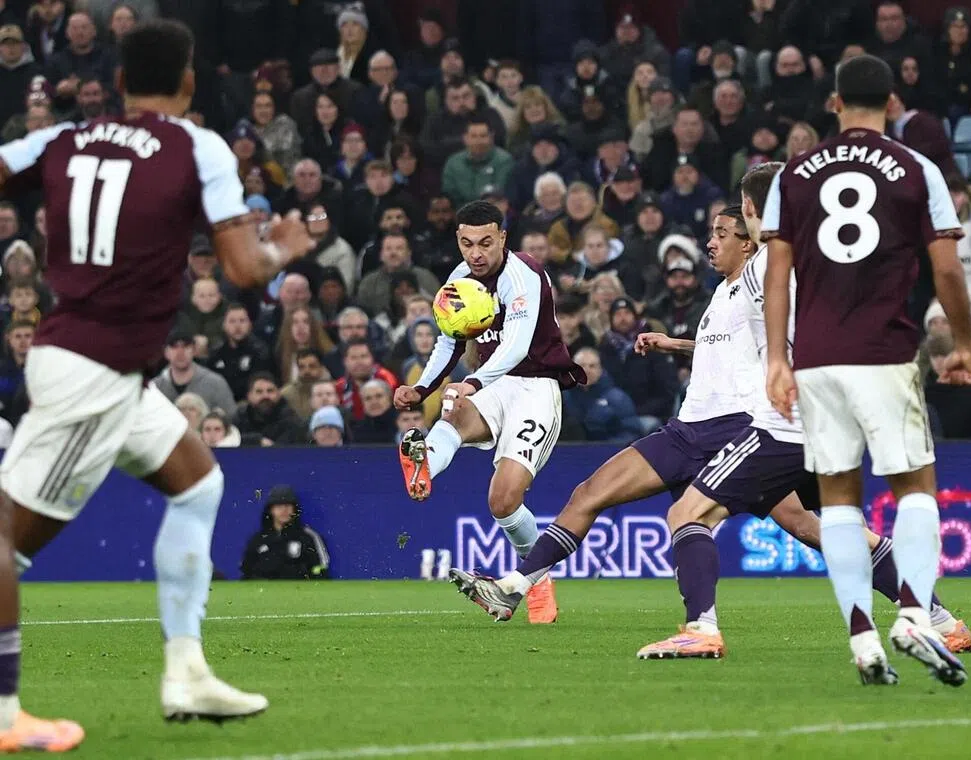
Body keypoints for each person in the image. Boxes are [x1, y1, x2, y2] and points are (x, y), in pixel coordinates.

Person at [448, 177, 971, 657]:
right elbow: (726, 347)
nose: (711, 242)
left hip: (740, 428)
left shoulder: (766, 274)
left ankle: (709, 628)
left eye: (723, 233)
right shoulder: (725, 293)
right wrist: (674, 343)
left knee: (802, 527)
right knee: (591, 494)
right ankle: (514, 588)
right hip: (688, 428)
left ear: (750, 239)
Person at [0, 19, 316, 743]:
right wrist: (282, 249)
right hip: (99, 371)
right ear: (190, 83)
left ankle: (186, 669)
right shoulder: (196, 145)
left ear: (116, 85)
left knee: (198, 482)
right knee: (3, 541)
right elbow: (239, 268)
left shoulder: (62, 139)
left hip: (94, 365)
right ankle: (3, 714)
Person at [761, 55, 971, 686]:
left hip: (817, 358)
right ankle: (912, 613)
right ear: (890, 102)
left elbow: (778, 274)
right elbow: (947, 269)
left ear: (833, 103)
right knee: (915, 487)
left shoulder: (795, 173)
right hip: (883, 350)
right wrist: (962, 341)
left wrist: (778, 357)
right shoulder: (916, 168)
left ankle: (862, 637)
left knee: (839, 502)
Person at [394, 201, 586, 625]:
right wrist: (422, 387)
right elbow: (449, 339)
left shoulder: (525, 274)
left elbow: (516, 344)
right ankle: (424, 464)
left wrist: (475, 381)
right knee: (454, 409)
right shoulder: (460, 279)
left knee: (503, 500)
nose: (475, 253)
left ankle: (536, 581)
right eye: (466, 243)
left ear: (502, 237)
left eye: (484, 242)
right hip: (495, 384)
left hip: (536, 387)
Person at [239, 485, 330, 580]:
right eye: (278, 506)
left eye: (287, 505)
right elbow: (246, 573)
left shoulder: (308, 537)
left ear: (294, 509)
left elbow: (321, 569)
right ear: (270, 510)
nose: (284, 510)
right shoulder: (258, 540)